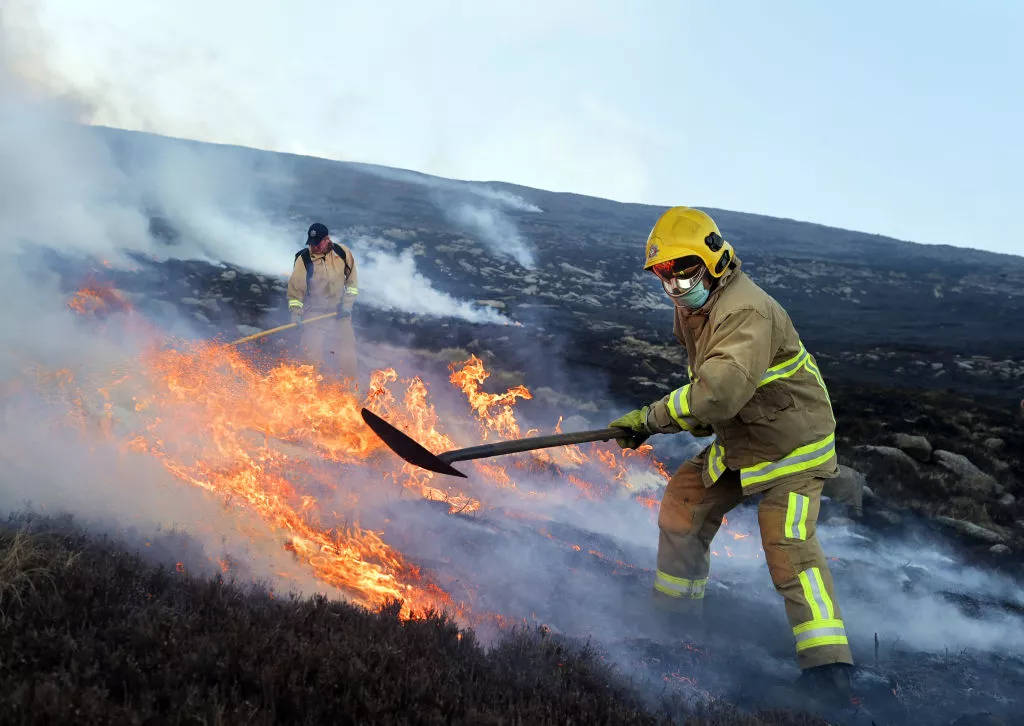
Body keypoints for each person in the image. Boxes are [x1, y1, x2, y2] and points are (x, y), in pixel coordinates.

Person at [608, 206, 855, 704]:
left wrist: (652, 417)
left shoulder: (746, 311)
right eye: (663, 273)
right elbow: (716, 393)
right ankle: (674, 624)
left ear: (716, 260)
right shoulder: (695, 308)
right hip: (747, 439)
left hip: (793, 446)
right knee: (684, 502)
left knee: (787, 545)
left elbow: (719, 392)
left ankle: (830, 667)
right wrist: (688, 416)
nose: (674, 283)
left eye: (683, 269)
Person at [286, 222, 360, 386]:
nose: (314, 247)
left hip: (339, 314)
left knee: (347, 354)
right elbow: (295, 292)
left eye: (317, 243)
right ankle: (310, 393)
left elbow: (352, 284)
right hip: (314, 315)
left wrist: (347, 306)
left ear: (327, 239)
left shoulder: (342, 253)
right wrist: (296, 314)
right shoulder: (303, 260)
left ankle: (352, 391)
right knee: (311, 356)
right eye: (311, 243)